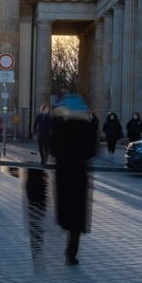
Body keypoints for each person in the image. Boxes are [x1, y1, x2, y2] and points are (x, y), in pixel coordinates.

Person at [49, 94, 96, 265]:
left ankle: (64, 228)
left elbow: (52, 149)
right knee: (77, 214)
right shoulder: (87, 127)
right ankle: (71, 253)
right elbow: (92, 151)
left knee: (65, 208)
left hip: (63, 172)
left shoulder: (60, 126)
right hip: (79, 174)